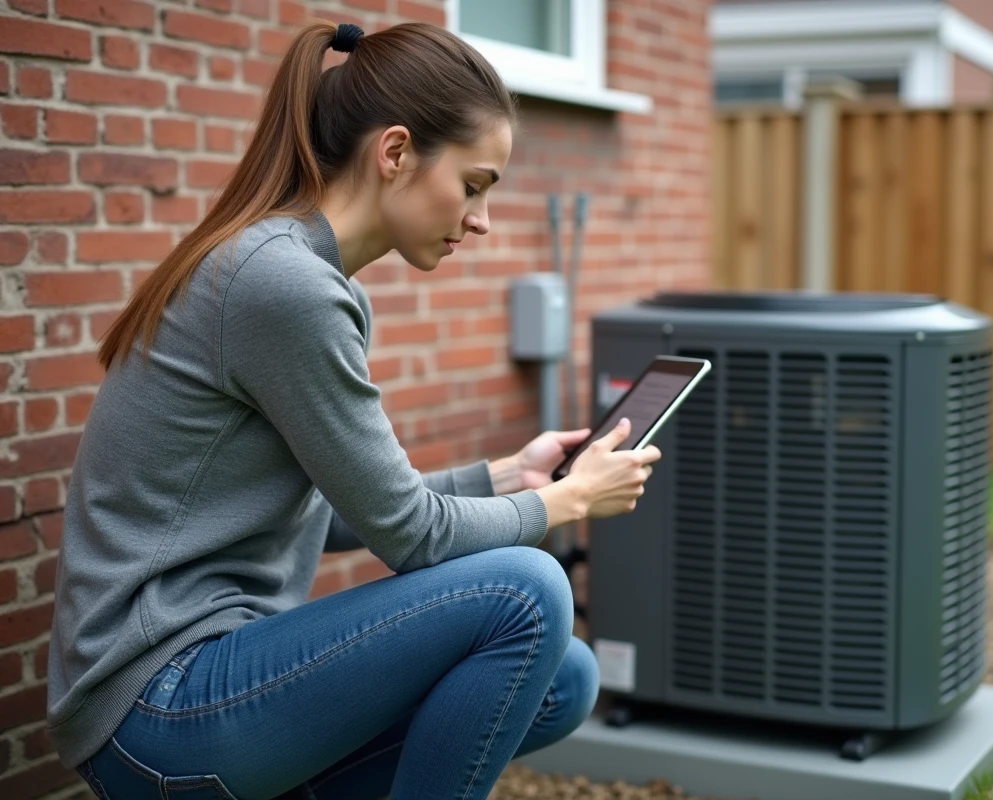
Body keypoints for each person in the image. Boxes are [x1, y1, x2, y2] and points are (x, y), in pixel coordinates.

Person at [46, 20, 659, 800]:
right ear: (396, 152)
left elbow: (329, 513)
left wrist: (510, 474)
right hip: (156, 705)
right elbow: (408, 535)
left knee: (563, 676)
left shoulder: (295, 272)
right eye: (472, 184)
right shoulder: (284, 285)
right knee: (530, 590)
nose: (480, 217)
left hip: (210, 679)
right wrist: (563, 501)